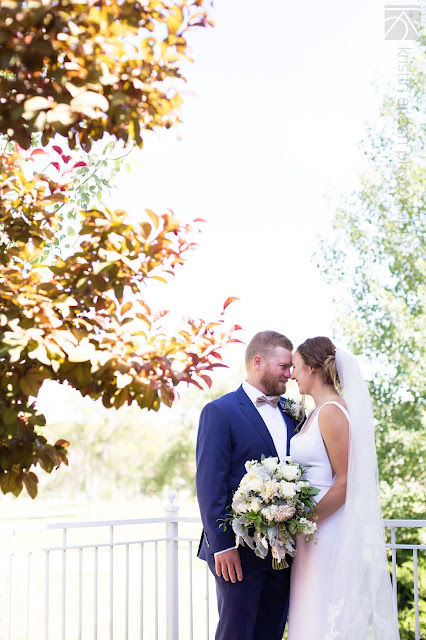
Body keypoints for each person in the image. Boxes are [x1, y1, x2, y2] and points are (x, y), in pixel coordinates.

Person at [287, 336, 400, 639]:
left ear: (312, 369)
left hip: (324, 529)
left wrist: (304, 520)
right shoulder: (315, 412)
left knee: (322, 609)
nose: (291, 374)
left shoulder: (332, 412)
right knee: (309, 609)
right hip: (310, 533)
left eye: (295, 366)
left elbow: (347, 480)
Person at [196, 330, 299, 640]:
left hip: (284, 551)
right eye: (283, 366)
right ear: (258, 362)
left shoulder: (293, 413)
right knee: (236, 633)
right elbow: (209, 484)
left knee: (271, 632)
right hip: (237, 551)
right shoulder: (220, 412)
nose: (289, 374)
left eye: (291, 367)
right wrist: (222, 545)